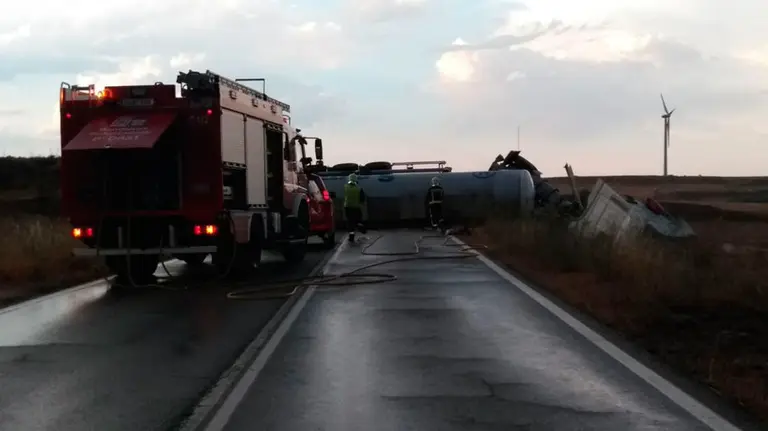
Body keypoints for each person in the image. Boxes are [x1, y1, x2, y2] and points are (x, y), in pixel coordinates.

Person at [343, 173, 367, 242]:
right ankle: (360, 226)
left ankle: (351, 237)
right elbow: (362, 199)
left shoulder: (345, 187)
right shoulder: (359, 189)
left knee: (350, 222)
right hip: (356, 207)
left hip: (347, 207)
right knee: (358, 219)